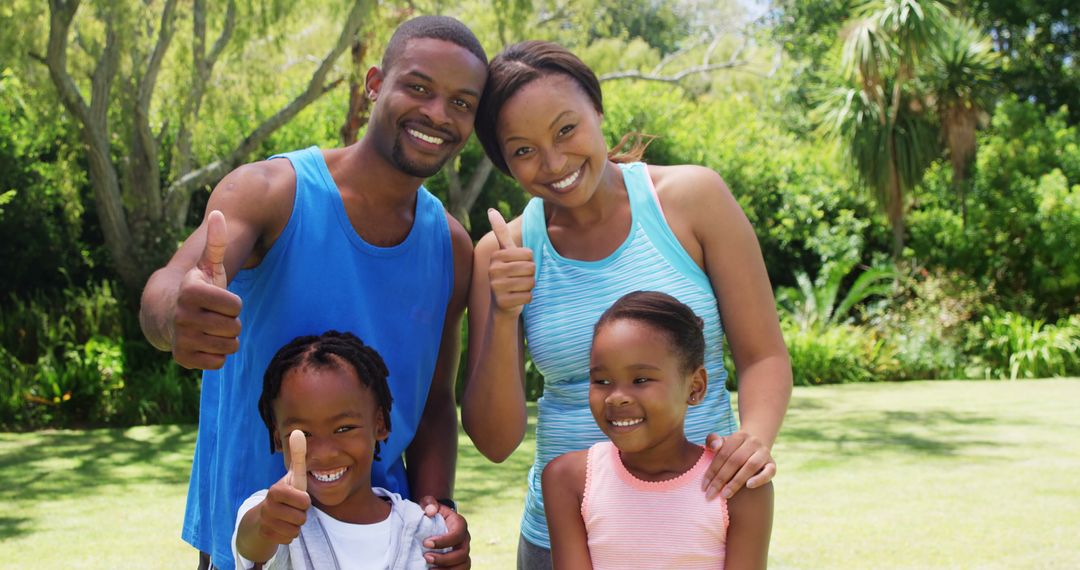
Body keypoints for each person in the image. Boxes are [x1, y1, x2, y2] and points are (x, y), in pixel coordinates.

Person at [139, 16, 486, 569]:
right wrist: (177, 314)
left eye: (461, 102)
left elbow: (435, 403)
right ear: (375, 83)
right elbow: (169, 285)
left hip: (381, 550)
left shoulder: (452, 247)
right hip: (249, 546)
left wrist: (436, 506)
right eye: (418, 87)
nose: (438, 113)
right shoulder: (270, 192)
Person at [462, 40, 792, 567]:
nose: (554, 162)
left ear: (597, 109)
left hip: (698, 525)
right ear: (504, 162)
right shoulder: (503, 254)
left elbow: (763, 355)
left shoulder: (692, 200)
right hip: (562, 539)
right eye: (523, 150)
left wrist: (753, 438)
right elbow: (495, 441)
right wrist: (504, 314)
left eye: (566, 129)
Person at [543, 292, 773, 569]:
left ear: (695, 386)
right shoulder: (568, 480)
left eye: (640, 379)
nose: (616, 397)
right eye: (601, 380)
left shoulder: (737, 486)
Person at [233, 331, 450, 569]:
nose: (325, 453)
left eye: (344, 428)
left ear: (380, 424)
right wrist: (267, 521)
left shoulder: (425, 528)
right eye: (303, 434)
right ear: (278, 438)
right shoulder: (274, 514)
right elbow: (251, 543)